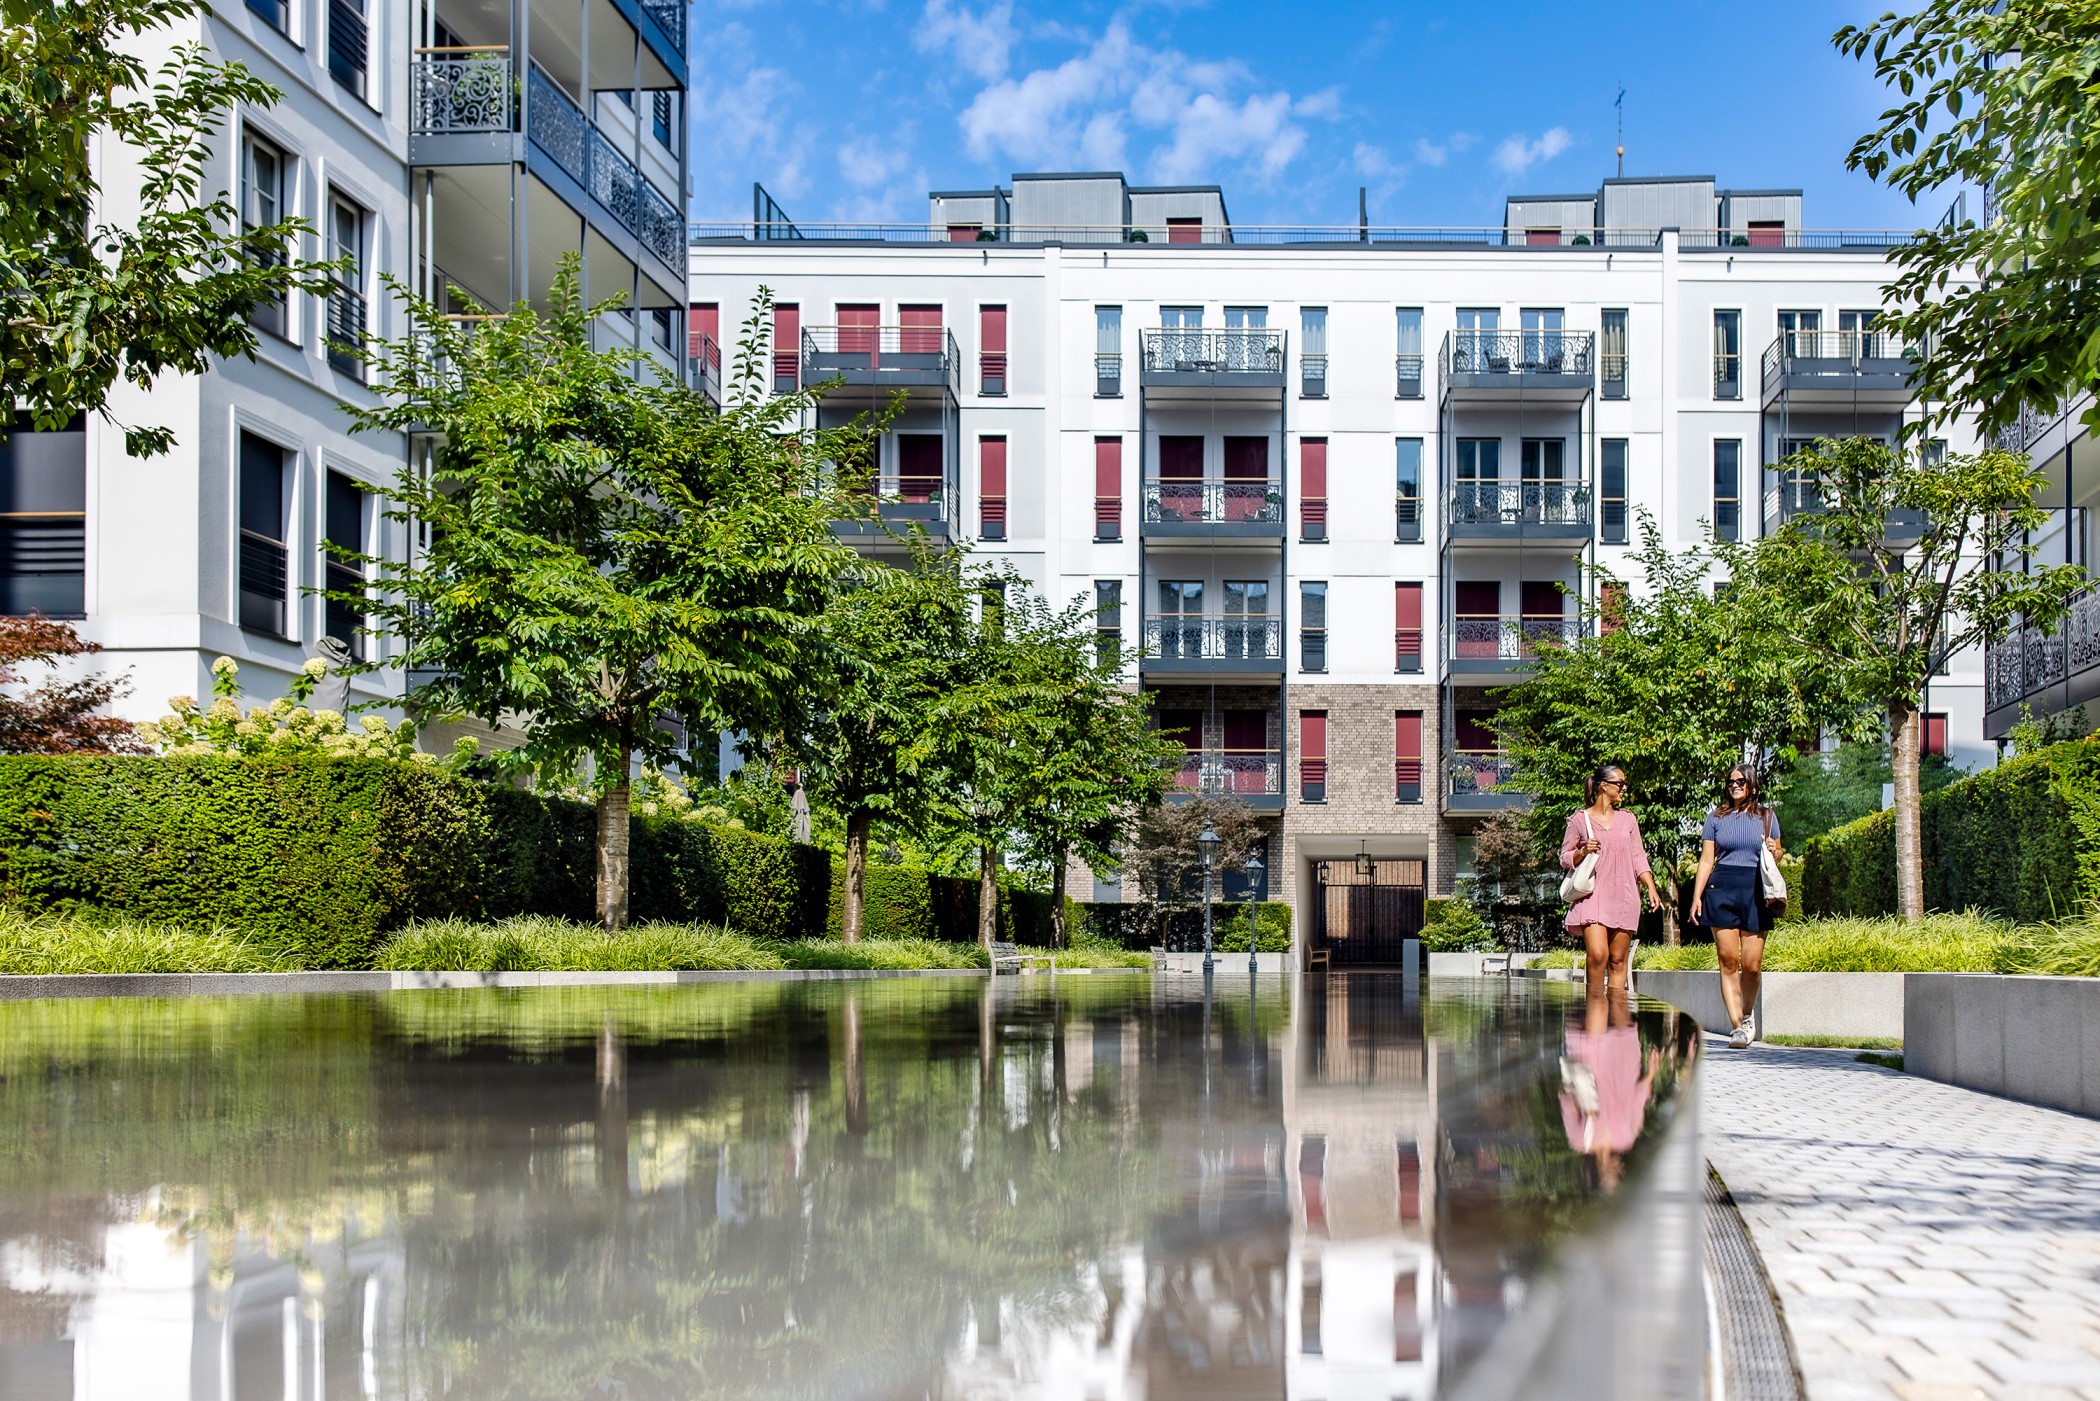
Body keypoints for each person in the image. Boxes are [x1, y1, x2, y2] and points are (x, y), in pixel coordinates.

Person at [1691, 765, 1784, 1049]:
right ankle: (1737, 1027)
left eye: (1740, 781)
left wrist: (1775, 850)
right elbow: (1707, 860)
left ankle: (1746, 1014)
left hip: (1755, 889)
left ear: (1752, 785)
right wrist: (1697, 896)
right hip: (1721, 888)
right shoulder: (1716, 817)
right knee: (1728, 960)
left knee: (1752, 966)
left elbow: (1779, 853)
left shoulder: (1767, 817)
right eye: (1730, 782)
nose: (1734, 785)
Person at [1559, 763, 1665, 995]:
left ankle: (1616, 1014)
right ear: (1603, 786)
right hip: (1593, 896)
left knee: (1617, 960)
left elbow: (1638, 857)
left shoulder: (1628, 819)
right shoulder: (1580, 820)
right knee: (1598, 955)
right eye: (1620, 783)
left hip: (1625, 896)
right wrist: (1582, 851)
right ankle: (1595, 1008)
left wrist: (1651, 887)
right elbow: (1564, 858)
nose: (1624, 788)